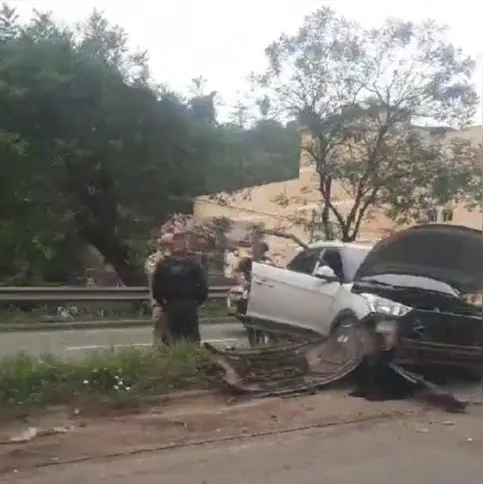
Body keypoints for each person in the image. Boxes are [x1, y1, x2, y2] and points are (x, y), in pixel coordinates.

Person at [151, 231, 208, 344]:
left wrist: (196, 302)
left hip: (185, 305)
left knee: (188, 338)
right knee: (174, 337)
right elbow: (156, 287)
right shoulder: (164, 264)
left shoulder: (191, 263)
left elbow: (202, 286)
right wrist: (163, 303)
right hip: (173, 305)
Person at [145, 233, 173, 346]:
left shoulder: (177, 259)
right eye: (166, 244)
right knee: (159, 332)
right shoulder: (153, 259)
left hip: (174, 302)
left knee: (173, 335)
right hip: (159, 302)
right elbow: (152, 274)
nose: (169, 247)